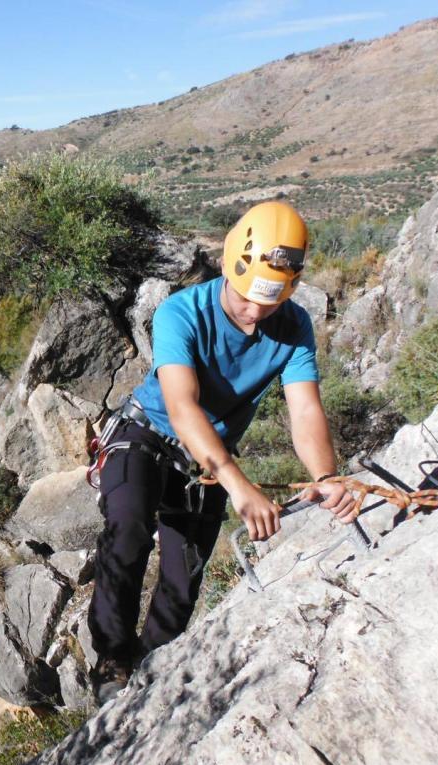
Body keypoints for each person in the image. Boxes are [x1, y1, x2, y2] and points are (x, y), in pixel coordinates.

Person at [86, 200, 360, 704]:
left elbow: (304, 409)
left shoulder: (293, 326)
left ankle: (152, 670)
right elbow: (181, 407)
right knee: (127, 527)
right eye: (247, 298)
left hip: (206, 460)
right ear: (229, 267)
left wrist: (326, 476)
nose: (255, 313)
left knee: (183, 577)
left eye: (269, 303)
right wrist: (238, 486)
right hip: (148, 434)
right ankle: (111, 660)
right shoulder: (181, 313)